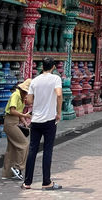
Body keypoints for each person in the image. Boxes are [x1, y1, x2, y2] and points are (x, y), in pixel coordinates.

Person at [22, 58, 63, 191]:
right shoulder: (56, 79)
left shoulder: (35, 80)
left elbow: (28, 100)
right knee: (47, 150)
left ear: (42, 66)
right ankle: (46, 182)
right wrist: (59, 112)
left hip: (36, 120)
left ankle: (27, 182)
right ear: (53, 67)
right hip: (49, 120)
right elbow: (59, 95)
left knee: (32, 150)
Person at [2, 78, 32, 181]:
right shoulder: (16, 95)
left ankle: (7, 173)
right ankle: (18, 167)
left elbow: (18, 113)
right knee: (24, 144)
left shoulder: (21, 97)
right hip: (10, 122)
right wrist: (24, 115)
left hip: (14, 122)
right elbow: (12, 110)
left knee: (12, 148)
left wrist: (23, 120)